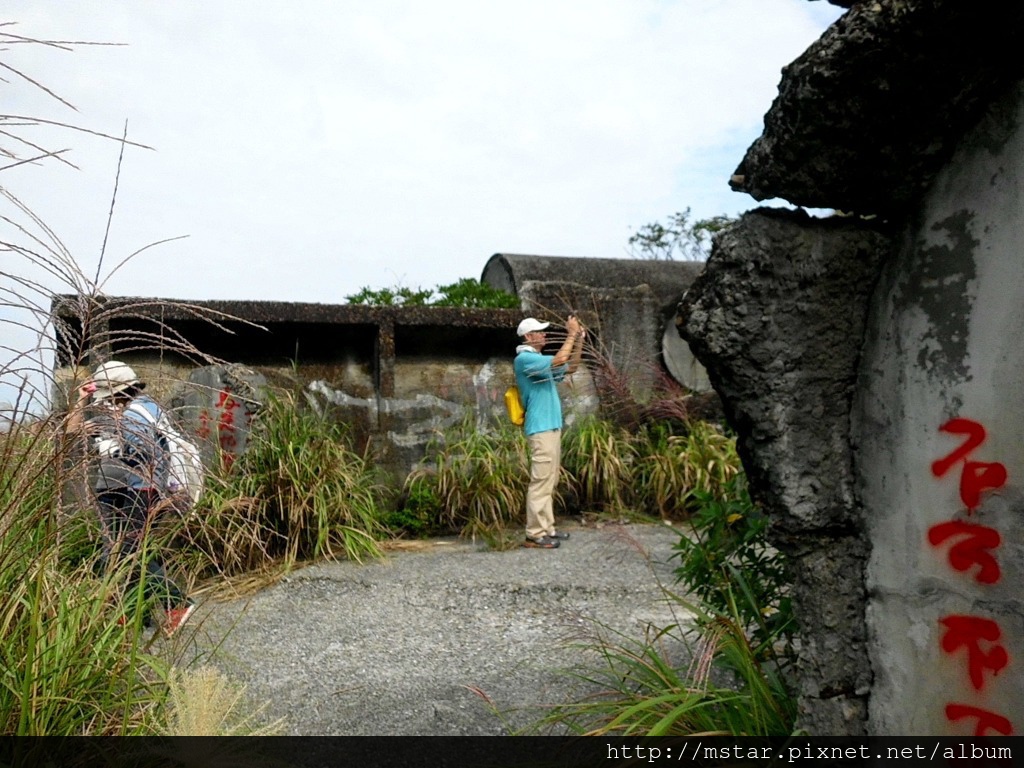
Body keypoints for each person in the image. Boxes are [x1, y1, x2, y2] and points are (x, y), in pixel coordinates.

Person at [68, 360, 196, 637]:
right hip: (129, 489)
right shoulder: (145, 407)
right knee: (121, 552)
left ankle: (176, 603)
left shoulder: (133, 415)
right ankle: (133, 614)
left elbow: (142, 454)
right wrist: (83, 400)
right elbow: (71, 432)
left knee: (127, 554)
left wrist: (115, 449)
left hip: (140, 489)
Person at [514, 315, 586, 549]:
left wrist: (580, 341)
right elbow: (559, 361)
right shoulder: (525, 359)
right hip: (541, 428)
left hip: (550, 427)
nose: (544, 335)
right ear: (528, 336)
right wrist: (571, 334)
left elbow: (570, 366)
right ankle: (534, 533)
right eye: (540, 331)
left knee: (550, 479)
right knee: (541, 480)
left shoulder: (538, 360)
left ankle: (547, 528)